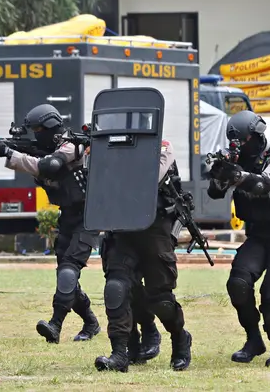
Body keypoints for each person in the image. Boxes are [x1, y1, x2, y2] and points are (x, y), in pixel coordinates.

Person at [0, 104, 100, 344]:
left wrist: (9, 153)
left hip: (88, 216)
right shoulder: (47, 149)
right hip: (68, 216)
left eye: (38, 129)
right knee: (65, 275)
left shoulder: (72, 145)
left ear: (50, 127)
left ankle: (55, 324)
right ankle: (90, 322)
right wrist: (6, 148)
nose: (36, 134)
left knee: (69, 270)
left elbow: (49, 166)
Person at [207, 110, 270, 367]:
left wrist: (237, 175)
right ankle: (253, 340)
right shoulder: (238, 159)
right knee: (238, 283)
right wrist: (220, 172)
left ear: (256, 136)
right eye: (234, 142)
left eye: (243, 140)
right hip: (259, 234)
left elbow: (264, 183)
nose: (238, 146)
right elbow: (215, 194)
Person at [94, 140, 192, 373]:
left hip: (154, 228)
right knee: (116, 288)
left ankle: (180, 339)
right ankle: (120, 353)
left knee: (161, 299)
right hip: (122, 228)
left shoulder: (162, 146)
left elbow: (151, 177)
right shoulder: (107, 145)